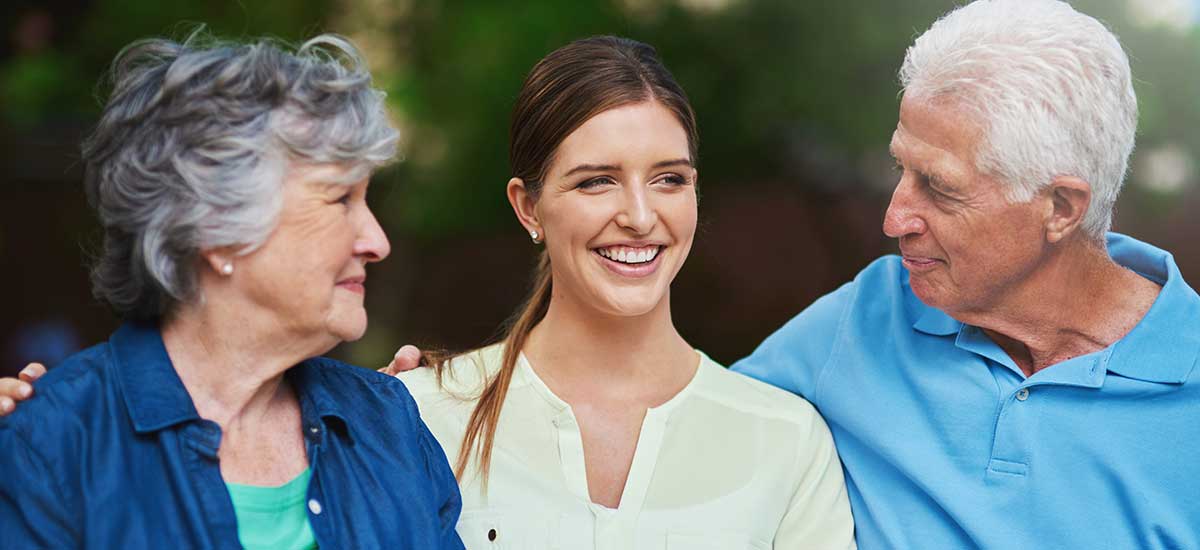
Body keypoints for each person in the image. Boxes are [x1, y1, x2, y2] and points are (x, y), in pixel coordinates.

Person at [732, 0, 1199, 548]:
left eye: (940, 186)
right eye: (900, 169)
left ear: (1061, 209)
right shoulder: (871, 312)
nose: (893, 219)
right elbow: (684, 434)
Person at [0, 32, 463, 548]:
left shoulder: (388, 424)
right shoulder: (52, 444)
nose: (377, 241)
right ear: (216, 229)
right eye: (340, 200)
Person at [403, 36, 854, 549]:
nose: (640, 217)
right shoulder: (423, 415)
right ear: (528, 208)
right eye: (597, 182)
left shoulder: (786, 441)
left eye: (668, 179)